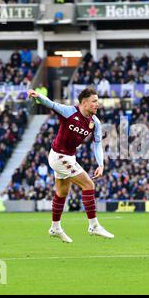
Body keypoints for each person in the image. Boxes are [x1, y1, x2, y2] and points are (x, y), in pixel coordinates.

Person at [27, 87, 114, 243]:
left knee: (62, 192)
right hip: (58, 156)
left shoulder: (95, 122)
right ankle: (93, 225)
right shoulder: (69, 112)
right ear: (84, 102)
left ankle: (55, 227)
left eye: (97, 101)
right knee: (88, 185)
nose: (97, 104)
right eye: (94, 101)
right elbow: (51, 104)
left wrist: (100, 164)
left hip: (69, 158)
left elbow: (98, 144)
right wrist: (37, 95)